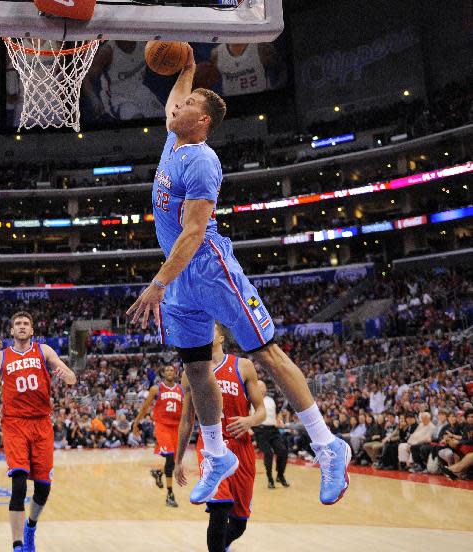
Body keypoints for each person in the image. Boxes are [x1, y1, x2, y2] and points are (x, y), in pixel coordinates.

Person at [126, 42, 351, 506]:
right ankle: (216, 453)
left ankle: (328, 445)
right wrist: (187, 66)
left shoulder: (204, 162)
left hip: (208, 268)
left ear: (203, 121)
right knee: (195, 367)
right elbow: (174, 99)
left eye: (187, 105)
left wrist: (157, 285)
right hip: (181, 280)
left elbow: (191, 235)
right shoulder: (174, 137)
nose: (177, 107)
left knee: (266, 353)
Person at [0, 311, 77, 552]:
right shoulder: (1, 357)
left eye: (26, 323)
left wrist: (65, 374)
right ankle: (17, 545)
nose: (22, 327)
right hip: (14, 423)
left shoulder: (44, 351)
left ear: (32, 330)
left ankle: (31, 527)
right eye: (18, 324)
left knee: (44, 487)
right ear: (12, 331)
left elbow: (71, 378)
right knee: (18, 484)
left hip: (41, 423)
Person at [175, 322, 266, 552]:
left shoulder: (244, 366)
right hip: (211, 446)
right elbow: (186, 420)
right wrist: (177, 461)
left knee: (239, 523)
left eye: (211, 328)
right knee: (218, 509)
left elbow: (262, 411)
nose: (204, 330)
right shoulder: (191, 372)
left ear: (221, 337)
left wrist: (249, 421)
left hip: (241, 446)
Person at [132, 365, 184, 507]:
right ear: (163, 373)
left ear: (175, 373)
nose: (169, 372)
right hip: (162, 427)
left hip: (176, 428)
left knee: (172, 461)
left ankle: (158, 473)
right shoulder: (156, 389)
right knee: (169, 456)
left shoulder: (182, 390)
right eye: (166, 370)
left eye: (171, 370)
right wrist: (136, 423)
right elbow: (145, 407)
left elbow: (187, 410)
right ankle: (170, 494)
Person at [253, 380, 289, 488]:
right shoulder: (251, 400)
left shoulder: (271, 400)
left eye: (264, 387)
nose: (263, 389)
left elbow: (276, 414)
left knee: (283, 451)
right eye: (260, 387)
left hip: (273, 429)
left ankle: (280, 475)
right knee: (268, 454)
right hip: (259, 430)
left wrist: (279, 421)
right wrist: (249, 428)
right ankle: (270, 479)